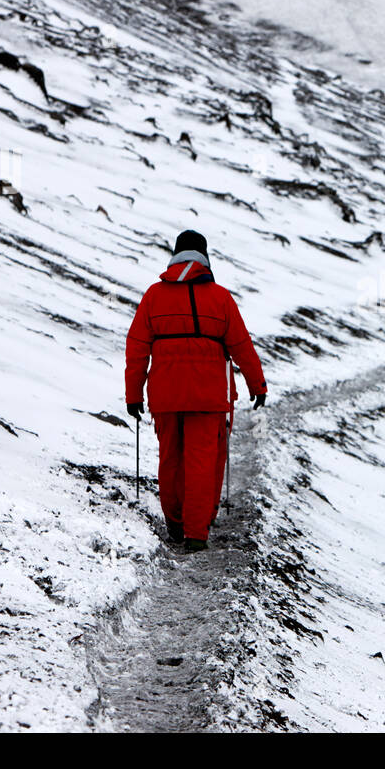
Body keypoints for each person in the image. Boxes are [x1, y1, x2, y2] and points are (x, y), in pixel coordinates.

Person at [125, 230, 267, 551]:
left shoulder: (153, 296)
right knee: (203, 462)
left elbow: (136, 349)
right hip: (209, 396)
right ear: (205, 258)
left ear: (175, 255)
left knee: (171, 459)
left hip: (165, 394)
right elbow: (242, 347)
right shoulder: (221, 298)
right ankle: (196, 534)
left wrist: (133, 394)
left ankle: (174, 523)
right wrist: (257, 385)